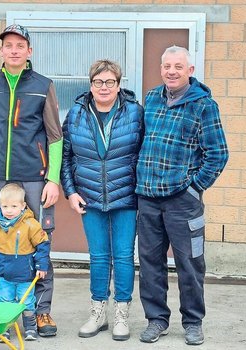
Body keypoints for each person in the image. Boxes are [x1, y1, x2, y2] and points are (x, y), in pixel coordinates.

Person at [0, 24, 62, 337]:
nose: (14, 50)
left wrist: (53, 179)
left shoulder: (43, 85)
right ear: (2, 50)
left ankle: (42, 311)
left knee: (39, 237)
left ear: (29, 52)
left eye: (20, 45)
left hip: (33, 174)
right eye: (8, 45)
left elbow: (55, 136)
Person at [135, 46, 229, 346]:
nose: (171, 71)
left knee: (190, 264)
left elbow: (218, 154)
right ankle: (157, 319)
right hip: (148, 198)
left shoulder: (203, 105)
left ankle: (193, 322)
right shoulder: (150, 99)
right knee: (150, 263)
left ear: (190, 70)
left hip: (182, 202)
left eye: (178, 66)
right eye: (166, 66)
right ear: (160, 68)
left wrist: (194, 187)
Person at [60, 60, 143, 341]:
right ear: (90, 85)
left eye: (109, 82)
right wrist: (70, 192)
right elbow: (66, 157)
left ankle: (122, 314)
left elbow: (143, 154)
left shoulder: (134, 113)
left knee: (122, 256)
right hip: (89, 197)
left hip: (126, 197)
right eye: (98, 82)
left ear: (119, 85)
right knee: (97, 257)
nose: (104, 87)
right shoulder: (76, 114)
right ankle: (98, 312)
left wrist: (141, 192)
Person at [0, 183, 50, 341]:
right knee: (4, 301)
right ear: (0, 205)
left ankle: (30, 327)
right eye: (5, 206)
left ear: (23, 206)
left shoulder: (30, 224)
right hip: (4, 274)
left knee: (26, 302)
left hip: (25, 274)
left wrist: (41, 265)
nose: (9, 210)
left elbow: (42, 245)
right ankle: (4, 328)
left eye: (14, 206)